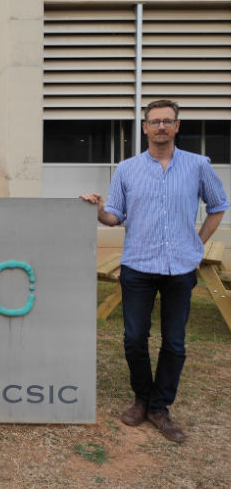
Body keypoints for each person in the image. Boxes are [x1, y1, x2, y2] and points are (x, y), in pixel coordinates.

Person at [80, 100, 228, 442]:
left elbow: (218, 206)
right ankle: (142, 399)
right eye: (154, 122)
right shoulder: (127, 169)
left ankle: (160, 407)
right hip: (139, 265)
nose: (161, 127)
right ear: (144, 128)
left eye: (167, 121)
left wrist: (197, 243)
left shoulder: (198, 165)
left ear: (177, 127)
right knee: (134, 339)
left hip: (180, 267)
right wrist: (98, 210)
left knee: (174, 342)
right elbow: (115, 216)